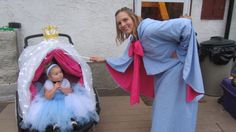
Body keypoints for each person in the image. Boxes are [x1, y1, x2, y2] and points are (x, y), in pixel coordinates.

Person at [90, 7, 204, 132]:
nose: (122, 24)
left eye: (125, 19)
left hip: (175, 71)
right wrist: (105, 60)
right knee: (165, 107)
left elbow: (185, 25)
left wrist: (180, 52)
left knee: (169, 107)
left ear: (133, 17)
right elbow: (125, 59)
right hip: (163, 73)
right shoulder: (136, 37)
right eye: (119, 23)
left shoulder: (149, 28)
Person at [21, 63, 99, 131]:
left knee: (71, 108)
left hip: (65, 98)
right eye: (56, 74)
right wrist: (55, 88)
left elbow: (69, 91)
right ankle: (55, 124)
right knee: (53, 112)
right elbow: (47, 96)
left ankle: (72, 121)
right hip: (52, 100)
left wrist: (61, 88)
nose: (60, 74)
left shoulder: (65, 81)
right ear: (50, 77)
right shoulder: (48, 83)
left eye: (60, 72)